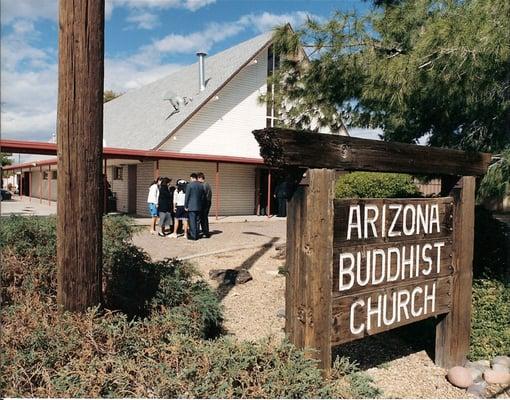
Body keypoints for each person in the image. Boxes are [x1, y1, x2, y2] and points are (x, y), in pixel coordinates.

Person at [185, 173, 205, 240]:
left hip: (191, 206)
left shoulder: (189, 185)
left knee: (192, 221)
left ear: (193, 178)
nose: (190, 180)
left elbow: (187, 196)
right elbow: (202, 197)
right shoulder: (201, 185)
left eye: (190, 178)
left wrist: (186, 206)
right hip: (199, 206)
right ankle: (197, 234)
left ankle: (193, 236)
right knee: (197, 221)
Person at [197, 172, 212, 238]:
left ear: (200, 178)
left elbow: (203, 195)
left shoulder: (204, 185)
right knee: (204, 217)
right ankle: (205, 231)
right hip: (208, 202)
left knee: (203, 218)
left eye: (198, 179)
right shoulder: (208, 184)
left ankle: (205, 232)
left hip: (205, 203)